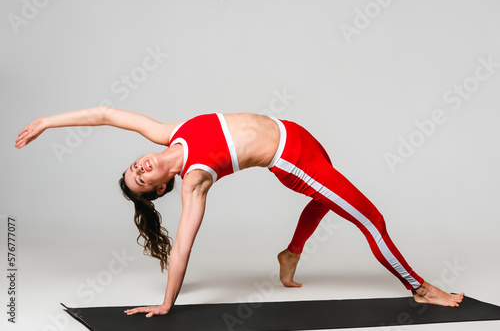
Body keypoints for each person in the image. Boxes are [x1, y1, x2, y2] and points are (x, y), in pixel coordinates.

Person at [15, 106, 464, 318]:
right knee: (370, 218)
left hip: (300, 133)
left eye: (135, 167)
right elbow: (185, 246)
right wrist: (167, 302)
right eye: (141, 180)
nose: (141, 167)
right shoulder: (194, 178)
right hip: (294, 162)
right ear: (162, 187)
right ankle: (420, 288)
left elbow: (108, 115)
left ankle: (290, 254)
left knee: (329, 201)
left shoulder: (169, 133)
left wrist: (48, 122)